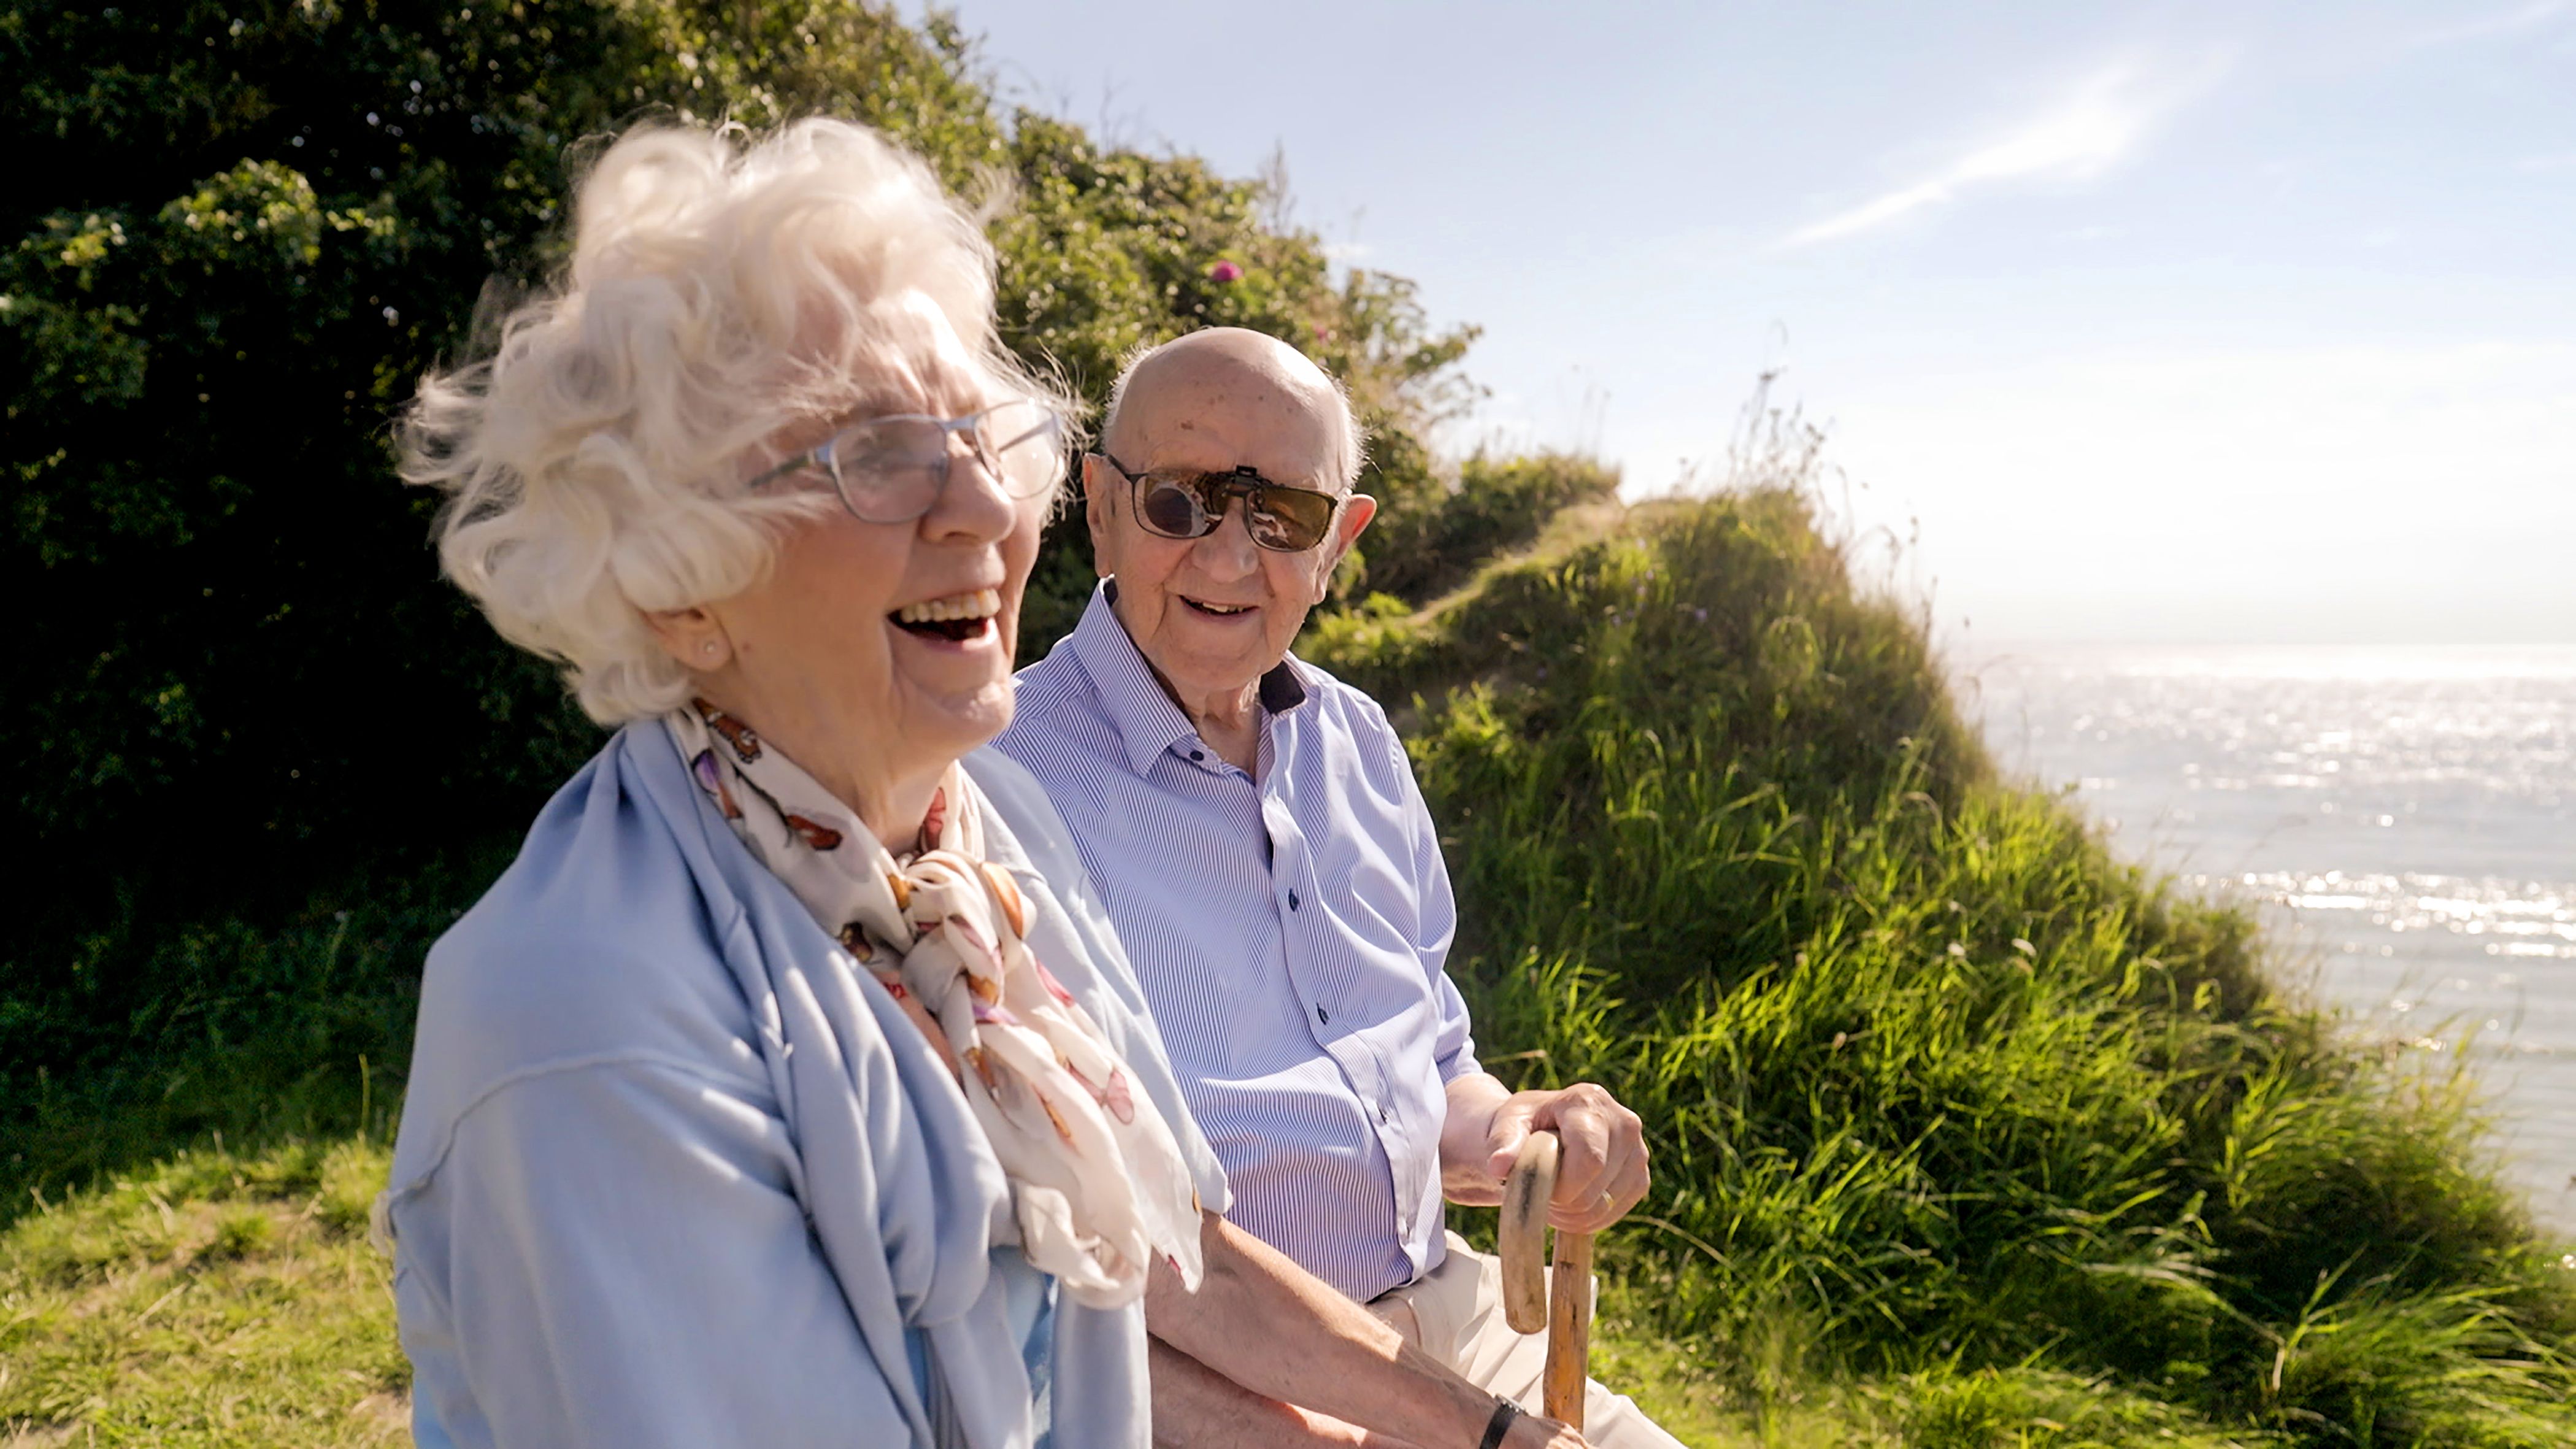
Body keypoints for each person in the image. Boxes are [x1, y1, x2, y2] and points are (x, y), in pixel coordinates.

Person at [386, 121, 1589, 1449]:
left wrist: (1483, 1433)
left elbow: (1171, 1249)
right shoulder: (590, 1026)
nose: (977, 500)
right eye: (866, 453)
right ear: (678, 580)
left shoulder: (975, 834)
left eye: (974, 432)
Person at [994, 328, 1683, 1448]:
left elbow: (1432, 1068)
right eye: (1181, 502)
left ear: (1339, 543)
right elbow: (1045, 1257)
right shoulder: (997, 783)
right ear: (1101, 507)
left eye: (1283, 518)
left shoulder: (1359, 742)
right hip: (1218, 1386)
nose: (1228, 559)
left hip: (1456, 1321)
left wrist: (1520, 1133)